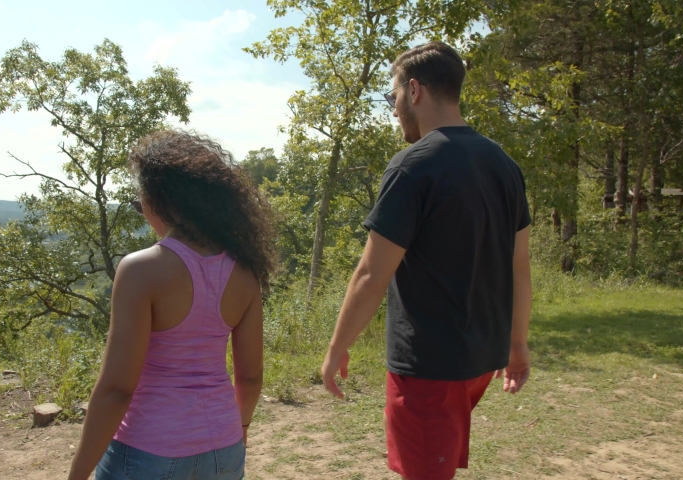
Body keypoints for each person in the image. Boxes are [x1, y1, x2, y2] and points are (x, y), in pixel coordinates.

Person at [320, 41, 533, 480]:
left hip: (430, 367)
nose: (394, 110)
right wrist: (516, 346)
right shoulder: (504, 165)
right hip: (479, 358)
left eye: (393, 96)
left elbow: (371, 275)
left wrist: (337, 347)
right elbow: (519, 267)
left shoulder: (413, 167)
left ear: (414, 90)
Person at [68, 130, 276, 480]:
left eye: (140, 201)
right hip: (224, 449)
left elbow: (117, 389)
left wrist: (76, 475)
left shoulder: (141, 270)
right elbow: (251, 377)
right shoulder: (245, 273)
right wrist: (240, 428)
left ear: (159, 200)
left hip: (148, 451)